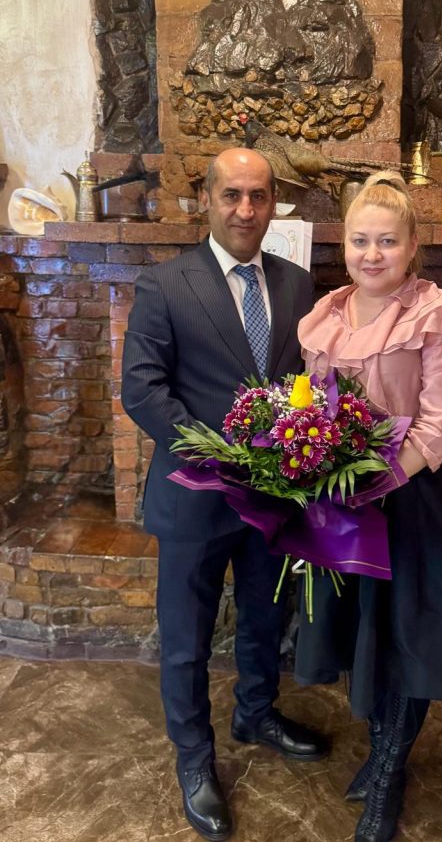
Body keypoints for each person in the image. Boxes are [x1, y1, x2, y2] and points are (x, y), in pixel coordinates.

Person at [294, 171, 442, 842]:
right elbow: (311, 406)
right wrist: (303, 459)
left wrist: (376, 479)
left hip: (416, 500)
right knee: (362, 635)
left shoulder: (437, 314)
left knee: (410, 641)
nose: (372, 254)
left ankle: (388, 774)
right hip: (344, 503)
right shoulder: (325, 314)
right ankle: (380, 754)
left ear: (412, 246)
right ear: (343, 244)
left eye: (387, 241)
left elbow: (441, 424)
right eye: (360, 240)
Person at [121, 148, 327, 842]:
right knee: (186, 639)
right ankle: (194, 758)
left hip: (272, 502)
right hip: (194, 497)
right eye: (232, 195)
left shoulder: (298, 285)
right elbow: (142, 389)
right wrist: (219, 458)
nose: (245, 210)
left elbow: (305, 384)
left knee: (265, 620)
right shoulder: (165, 285)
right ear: (206, 200)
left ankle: (256, 713)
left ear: (273, 205)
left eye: (258, 196)